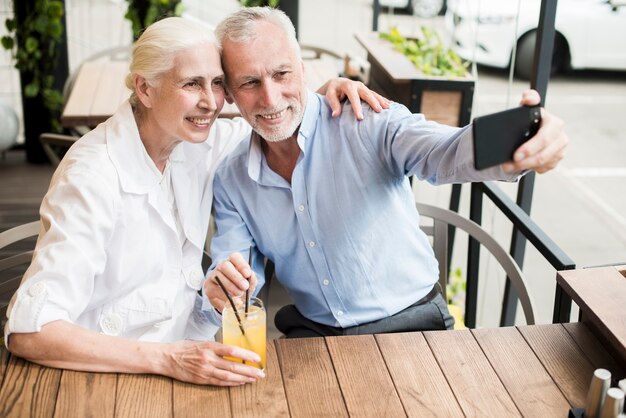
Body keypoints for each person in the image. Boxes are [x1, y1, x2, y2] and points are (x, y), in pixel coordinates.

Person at [4, 17, 388, 385]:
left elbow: (272, 115)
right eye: (192, 84)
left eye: (218, 83)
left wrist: (326, 90)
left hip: (189, 360)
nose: (212, 103)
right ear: (145, 89)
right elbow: (30, 332)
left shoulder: (198, 142)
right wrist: (169, 359)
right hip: (103, 375)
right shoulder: (91, 177)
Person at [204, 7, 569, 338]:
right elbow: (236, 273)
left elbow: (445, 151)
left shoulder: (366, 120)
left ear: (302, 69)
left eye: (281, 73)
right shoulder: (231, 178)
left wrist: (518, 142)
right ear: (230, 94)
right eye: (250, 82)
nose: (269, 98)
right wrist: (226, 285)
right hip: (314, 332)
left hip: (413, 323)